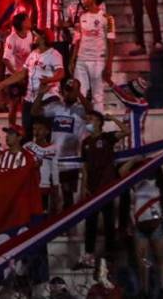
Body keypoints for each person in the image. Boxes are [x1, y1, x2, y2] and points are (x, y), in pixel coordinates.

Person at [78, 110, 130, 268]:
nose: (88, 121)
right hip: (92, 188)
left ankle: (110, 254)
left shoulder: (107, 137)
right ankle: (89, 255)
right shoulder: (85, 142)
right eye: (87, 118)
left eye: (91, 118)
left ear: (99, 122)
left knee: (108, 221)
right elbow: (85, 167)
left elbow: (126, 132)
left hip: (107, 186)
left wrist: (113, 117)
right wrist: (84, 187)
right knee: (91, 222)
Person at [34, 78, 92, 208]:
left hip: (72, 161)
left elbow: (91, 110)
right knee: (52, 196)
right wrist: (41, 94)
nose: (68, 94)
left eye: (72, 91)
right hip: (54, 158)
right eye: (67, 90)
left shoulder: (81, 109)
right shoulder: (56, 107)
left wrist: (79, 94)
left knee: (68, 197)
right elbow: (34, 112)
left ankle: (68, 225)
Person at [119, 162, 163, 298]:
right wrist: (137, 157)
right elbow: (122, 171)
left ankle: (162, 289)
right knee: (143, 260)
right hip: (140, 227)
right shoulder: (136, 183)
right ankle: (144, 289)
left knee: (160, 258)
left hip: (157, 226)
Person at [0, 28, 64, 133]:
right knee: (27, 131)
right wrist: (3, 84)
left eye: (36, 36)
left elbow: (61, 72)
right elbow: (22, 73)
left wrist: (50, 79)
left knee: (46, 130)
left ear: (43, 38)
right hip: (30, 98)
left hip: (47, 97)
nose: (33, 38)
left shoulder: (54, 55)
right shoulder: (33, 54)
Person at [70, 0, 116, 111]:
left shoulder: (108, 18)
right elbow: (78, 39)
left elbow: (111, 42)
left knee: (98, 95)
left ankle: (97, 125)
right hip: (81, 60)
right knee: (80, 93)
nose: (83, 0)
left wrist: (109, 64)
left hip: (97, 60)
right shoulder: (81, 17)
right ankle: (79, 124)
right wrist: (73, 59)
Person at [24, 116, 61, 212]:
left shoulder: (53, 148)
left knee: (43, 213)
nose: (36, 132)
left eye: (40, 129)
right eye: (34, 129)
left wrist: (56, 190)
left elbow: (55, 170)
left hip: (44, 187)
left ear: (47, 131)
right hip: (30, 187)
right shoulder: (27, 146)